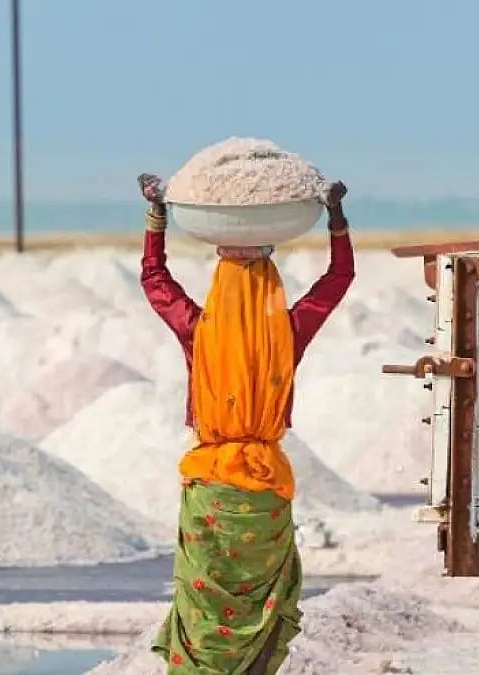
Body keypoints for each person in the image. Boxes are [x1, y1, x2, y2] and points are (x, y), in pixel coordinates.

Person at [137, 172, 355, 674]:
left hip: (212, 491)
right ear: (271, 289)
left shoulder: (199, 331)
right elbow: (338, 279)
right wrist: (336, 219)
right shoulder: (288, 331)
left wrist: (156, 216)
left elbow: (155, 279)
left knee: (205, 613)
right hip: (263, 493)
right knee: (259, 609)